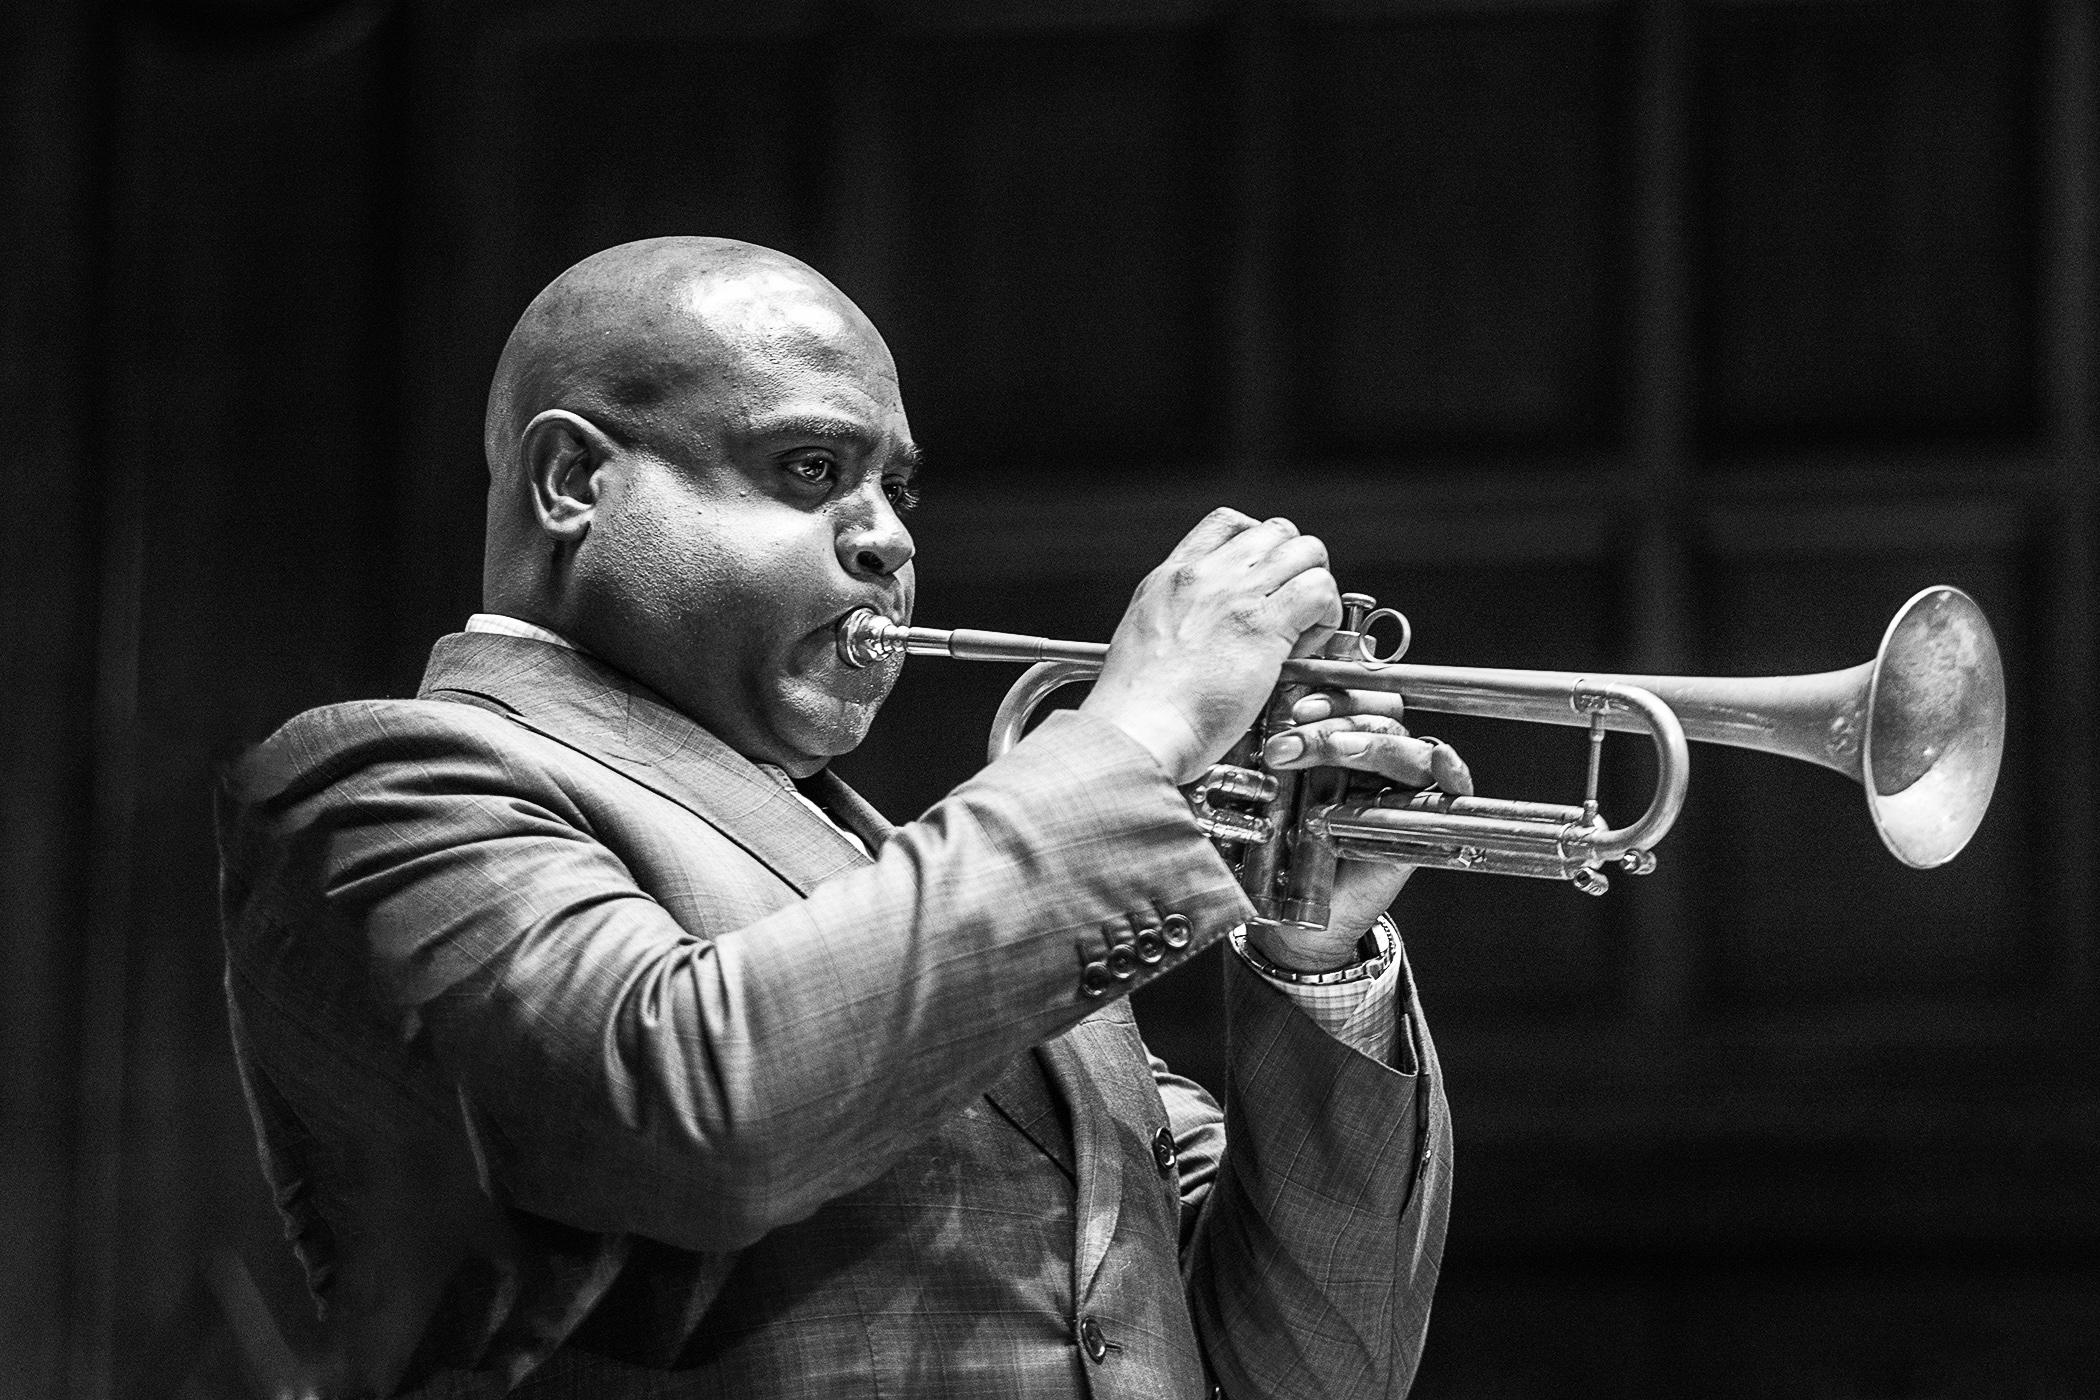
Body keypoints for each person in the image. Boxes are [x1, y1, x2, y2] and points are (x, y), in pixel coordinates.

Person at [217, 237, 1467, 1399]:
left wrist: (1315, 950)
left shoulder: (927, 880)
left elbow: (1315, 1370)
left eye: (897, 490)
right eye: (810, 469)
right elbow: (700, 1112)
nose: (885, 539)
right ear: (572, 479)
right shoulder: (379, 784)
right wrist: (1135, 733)